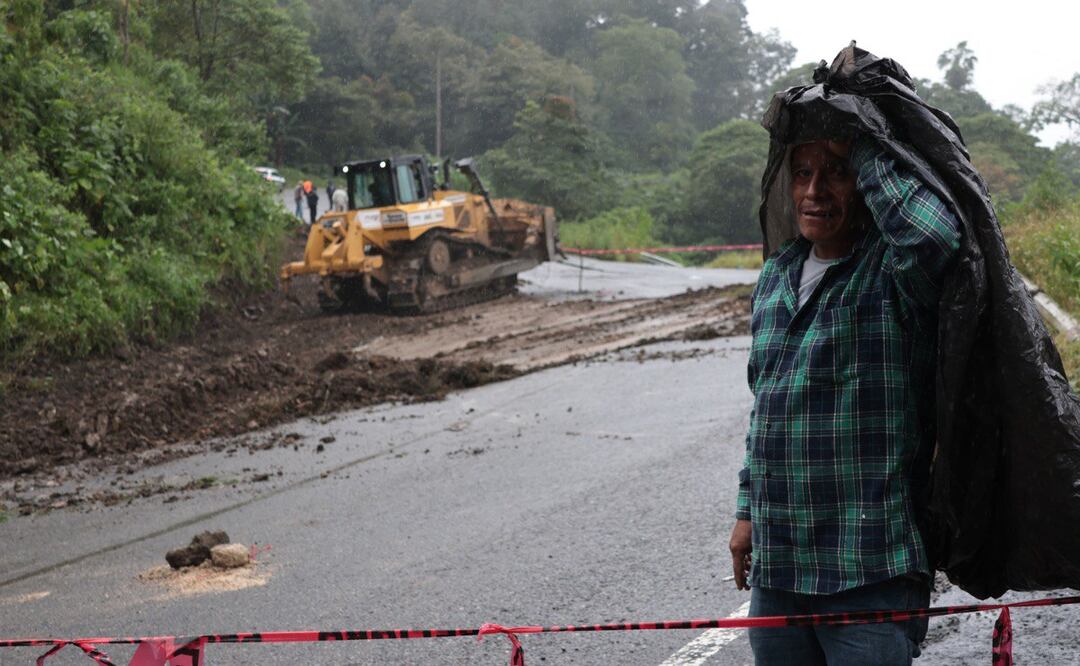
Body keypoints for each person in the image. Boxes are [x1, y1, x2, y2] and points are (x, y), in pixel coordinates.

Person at [730, 135, 961, 664]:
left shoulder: (893, 272)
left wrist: (863, 146)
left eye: (835, 172)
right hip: (780, 571)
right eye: (802, 173)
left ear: (863, 182)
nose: (815, 190)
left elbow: (935, 235)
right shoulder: (775, 276)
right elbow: (765, 408)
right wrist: (746, 512)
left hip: (869, 566)